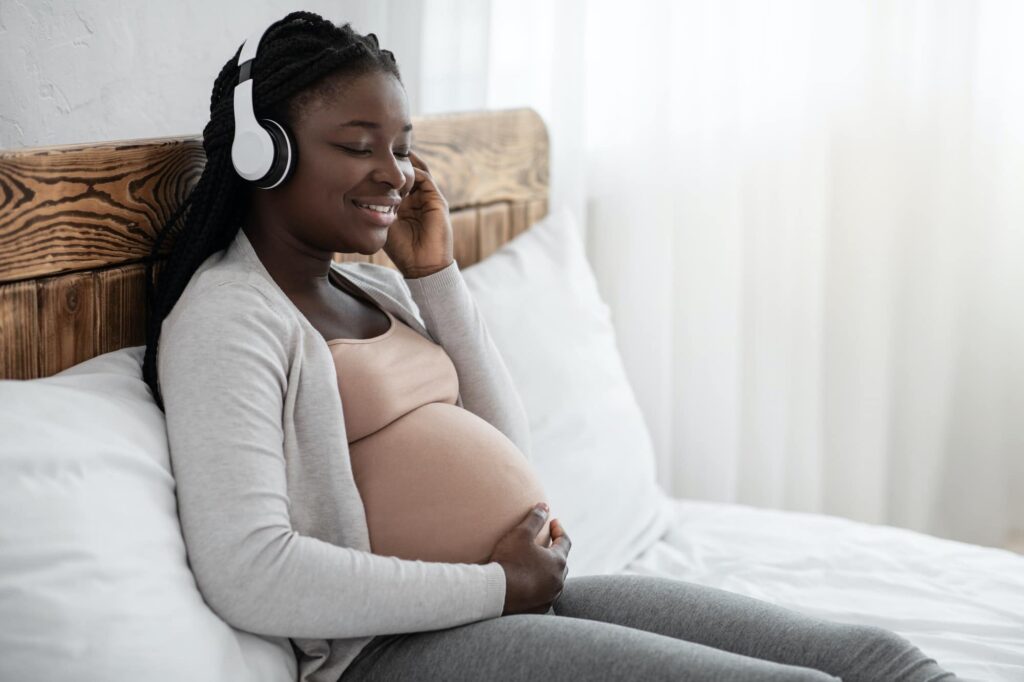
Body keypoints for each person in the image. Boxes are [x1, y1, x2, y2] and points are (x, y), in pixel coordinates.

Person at [142, 11, 958, 682]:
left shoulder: (375, 286)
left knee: (883, 662)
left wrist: (434, 275)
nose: (394, 172)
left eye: (400, 145)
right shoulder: (229, 319)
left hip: (518, 601)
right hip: (394, 651)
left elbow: (508, 453)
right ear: (264, 151)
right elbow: (252, 572)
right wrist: (495, 586)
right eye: (359, 145)